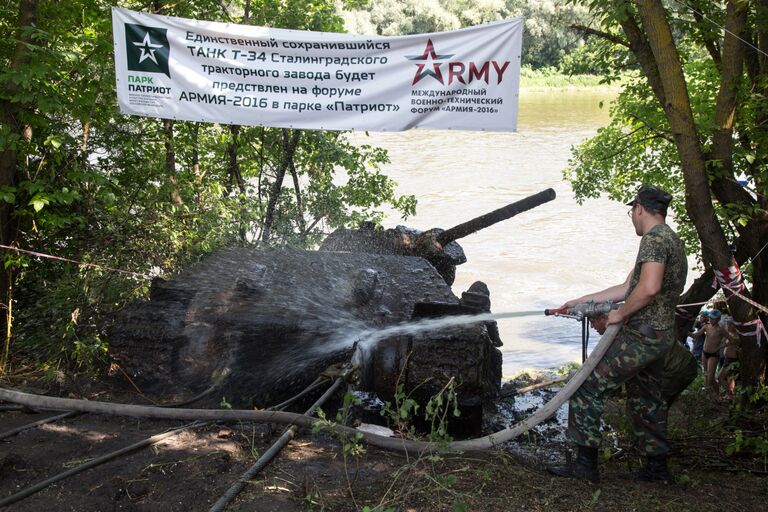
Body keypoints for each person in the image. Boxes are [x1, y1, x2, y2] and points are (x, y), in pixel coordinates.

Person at [547, 185, 687, 484]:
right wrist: (580, 301)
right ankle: (657, 470)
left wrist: (619, 315)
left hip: (642, 337)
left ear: (639, 208)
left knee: (585, 387)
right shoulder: (670, 238)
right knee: (646, 398)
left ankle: (585, 465)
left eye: (631, 211)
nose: (632, 217)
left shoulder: (653, 240)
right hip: (661, 336)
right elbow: (628, 288)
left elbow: (648, 290)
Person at [694, 309, 733, 393]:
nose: (711, 320)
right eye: (710, 318)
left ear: (718, 319)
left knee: (710, 378)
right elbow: (695, 336)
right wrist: (686, 332)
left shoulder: (720, 330)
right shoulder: (706, 326)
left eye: (713, 318)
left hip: (714, 354)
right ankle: (707, 393)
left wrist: (720, 347)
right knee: (705, 375)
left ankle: (717, 394)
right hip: (704, 353)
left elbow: (731, 340)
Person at [717, 319, 740, 400]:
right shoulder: (730, 334)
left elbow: (732, 342)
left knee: (720, 377)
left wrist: (719, 347)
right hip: (727, 359)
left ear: (735, 326)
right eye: (727, 324)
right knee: (731, 378)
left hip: (732, 360)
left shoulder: (737, 336)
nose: (728, 326)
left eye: (730, 325)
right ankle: (730, 395)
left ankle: (731, 395)